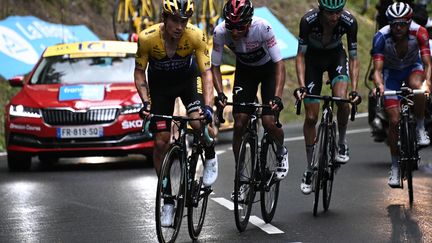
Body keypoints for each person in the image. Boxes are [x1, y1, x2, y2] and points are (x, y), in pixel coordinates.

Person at [134, 0, 218, 226]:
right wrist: (145, 102)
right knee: (160, 143)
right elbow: (140, 72)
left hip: (189, 83)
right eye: (175, 20)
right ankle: (168, 201)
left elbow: (206, 72)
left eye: (184, 20)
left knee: (198, 121)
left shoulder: (195, 36)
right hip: (161, 89)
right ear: (164, 18)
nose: (180, 26)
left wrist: (208, 107)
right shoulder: (147, 38)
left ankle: (209, 153)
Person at [212, 0, 289, 185]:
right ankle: (240, 176)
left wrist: (277, 97)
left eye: (240, 27)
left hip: (268, 70)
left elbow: (279, 64)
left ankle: (281, 151)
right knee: (239, 122)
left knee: (269, 122)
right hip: (245, 72)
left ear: (249, 21)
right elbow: (214, 66)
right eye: (232, 27)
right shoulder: (220, 32)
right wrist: (220, 93)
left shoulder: (263, 28)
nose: (235, 32)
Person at [294, 0, 361, 195]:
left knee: (341, 99)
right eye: (330, 13)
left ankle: (341, 143)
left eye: (338, 12)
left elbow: (355, 58)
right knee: (311, 117)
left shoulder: (349, 22)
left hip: (336, 58)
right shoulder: (308, 21)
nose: (335, 18)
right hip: (312, 61)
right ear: (321, 10)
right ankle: (309, 168)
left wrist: (354, 90)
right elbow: (300, 57)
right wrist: (301, 86)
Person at [372, 2, 431, 187]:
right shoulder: (381, 36)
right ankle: (395, 167)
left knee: (418, 86)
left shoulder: (419, 32)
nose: (398, 28)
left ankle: (421, 127)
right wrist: (380, 85)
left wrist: (427, 83)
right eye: (394, 23)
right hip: (391, 75)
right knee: (394, 121)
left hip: (413, 69)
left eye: (402, 24)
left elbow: (428, 64)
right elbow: (377, 70)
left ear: (409, 22)